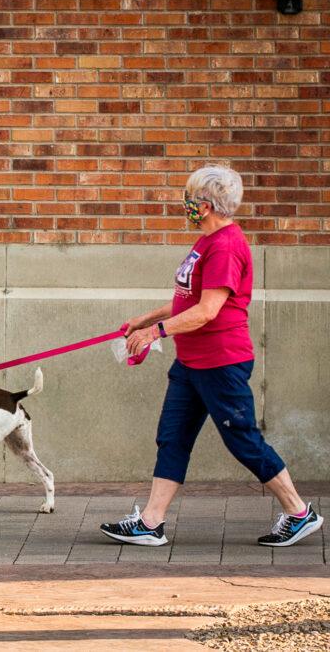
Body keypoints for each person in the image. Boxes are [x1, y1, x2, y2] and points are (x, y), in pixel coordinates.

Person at [100, 165, 323, 548]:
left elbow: (207, 311)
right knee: (172, 438)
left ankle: (299, 513)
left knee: (243, 440)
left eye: (189, 200)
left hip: (220, 363)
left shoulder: (225, 246)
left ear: (204, 206)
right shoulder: (207, 241)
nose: (185, 205)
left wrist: (156, 332)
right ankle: (151, 523)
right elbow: (188, 301)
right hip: (191, 363)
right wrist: (145, 319)